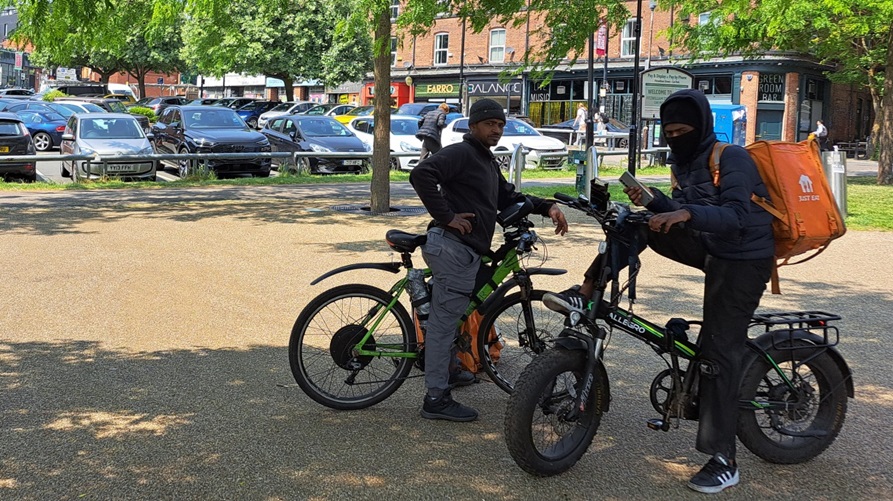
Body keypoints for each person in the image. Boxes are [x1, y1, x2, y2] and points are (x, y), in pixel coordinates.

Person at [543, 89, 774, 493]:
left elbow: (737, 216)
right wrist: (657, 203)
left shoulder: (731, 157)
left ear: (701, 126)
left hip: (743, 256)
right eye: (669, 132)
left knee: (718, 351)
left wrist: (684, 211)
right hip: (709, 245)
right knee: (635, 222)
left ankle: (724, 459)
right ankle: (588, 289)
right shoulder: (682, 162)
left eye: (682, 130)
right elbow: (686, 206)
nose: (675, 138)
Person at [409, 98, 569, 422]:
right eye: (489, 124)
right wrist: (448, 216)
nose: (496, 130)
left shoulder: (485, 160)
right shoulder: (462, 153)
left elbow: (508, 196)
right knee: (443, 323)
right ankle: (436, 398)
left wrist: (547, 206)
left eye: (500, 125)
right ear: (473, 126)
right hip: (452, 246)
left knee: (457, 313)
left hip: (465, 250)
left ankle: (450, 369)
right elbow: (421, 174)